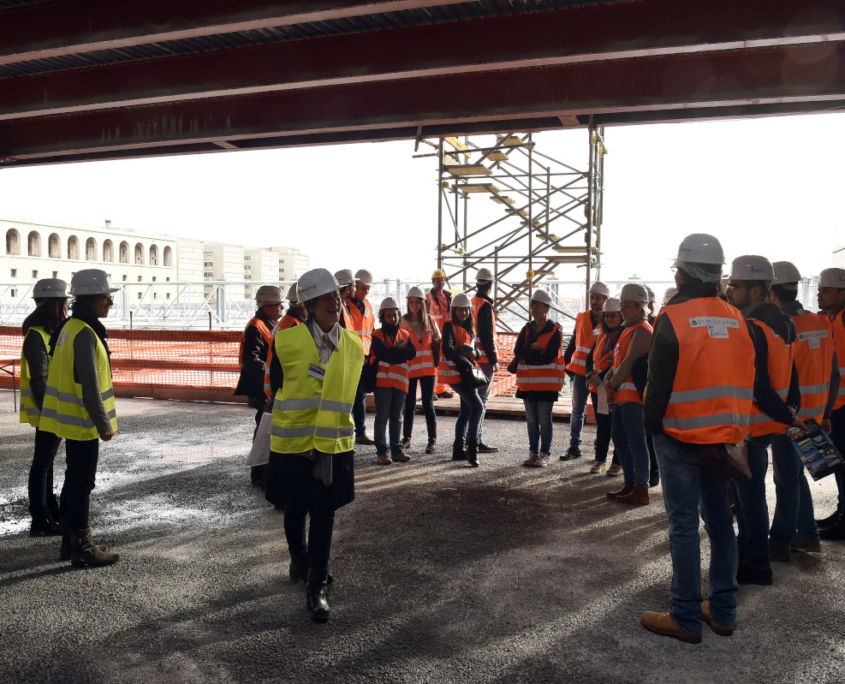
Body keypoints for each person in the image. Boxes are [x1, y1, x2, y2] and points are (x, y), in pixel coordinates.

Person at [641, 233, 753, 643]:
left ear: (683, 272)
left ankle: (686, 615)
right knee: (721, 522)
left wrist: (650, 427)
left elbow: (659, 384)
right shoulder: (737, 316)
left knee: (684, 526)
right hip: (722, 439)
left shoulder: (673, 316)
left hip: (681, 434)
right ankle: (722, 611)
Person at [267, 268, 364, 622]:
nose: (335, 302)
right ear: (308, 304)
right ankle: (300, 558)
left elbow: (357, 390)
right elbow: (275, 385)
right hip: (294, 444)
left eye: (337, 297)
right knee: (296, 509)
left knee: (324, 513)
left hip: (331, 447)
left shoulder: (354, 346)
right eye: (327, 297)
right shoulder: (285, 341)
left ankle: (316, 585)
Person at [726, 255, 806, 586]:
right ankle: (752, 554)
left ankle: (756, 563)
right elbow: (793, 371)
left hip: (754, 424)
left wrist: (783, 412)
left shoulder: (752, 327)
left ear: (756, 291)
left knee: (750, 498)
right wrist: (791, 410)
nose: (729, 291)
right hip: (772, 421)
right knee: (756, 493)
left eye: (736, 286)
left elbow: (757, 384)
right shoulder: (784, 323)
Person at [40, 269, 120, 568]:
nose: (109, 304)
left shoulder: (69, 327)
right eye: (106, 298)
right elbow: (89, 383)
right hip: (84, 422)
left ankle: (69, 543)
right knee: (82, 482)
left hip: (69, 418)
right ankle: (83, 548)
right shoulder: (85, 332)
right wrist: (104, 424)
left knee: (73, 480)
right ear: (91, 299)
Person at [768, 261, 838, 558]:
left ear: (772, 292)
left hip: (789, 418)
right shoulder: (820, 322)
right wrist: (829, 413)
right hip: (816, 414)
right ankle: (807, 534)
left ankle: (781, 539)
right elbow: (834, 373)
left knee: (786, 480)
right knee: (795, 476)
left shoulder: (781, 327)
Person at [20, 279, 69, 536]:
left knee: (46, 463)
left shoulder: (50, 332)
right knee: (42, 463)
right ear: (56, 303)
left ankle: (49, 509)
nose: (67, 307)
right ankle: (40, 519)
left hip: (53, 408)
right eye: (65, 302)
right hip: (47, 410)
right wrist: (50, 412)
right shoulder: (37, 336)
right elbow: (39, 379)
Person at [603, 283, 653, 505]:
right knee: (622, 441)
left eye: (627, 306)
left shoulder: (642, 330)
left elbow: (628, 363)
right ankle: (631, 484)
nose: (622, 310)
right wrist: (609, 379)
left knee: (636, 442)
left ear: (641, 307)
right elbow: (619, 362)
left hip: (633, 398)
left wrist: (611, 383)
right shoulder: (629, 330)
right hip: (623, 397)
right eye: (622, 305)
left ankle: (641, 487)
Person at [235, 285, 282, 487]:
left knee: (264, 429)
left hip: (263, 387)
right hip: (262, 388)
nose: (282, 308)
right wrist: (270, 376)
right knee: (263, 430)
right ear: (268, 307)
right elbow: (251, 359)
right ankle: (259, 473)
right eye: (279, 305)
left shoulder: (266, 324)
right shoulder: (258, 326)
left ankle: (261, 472)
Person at [512, 290, 563, 467]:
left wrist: (531, 355)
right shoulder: (527, 329)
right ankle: (533, 452)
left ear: (547, 308)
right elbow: (518, 351)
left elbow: (548, 357)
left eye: (538, 306)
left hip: (547, 384)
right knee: (532, 420)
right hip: (528, 384)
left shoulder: (555, 330)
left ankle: (545, 453)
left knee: (544, 419)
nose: (534, 309)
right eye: (532, 305)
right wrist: (534, 353)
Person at [563, 281, 610, 461]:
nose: (594, 301)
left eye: (597, 297)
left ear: (605, 299)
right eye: (592, 297)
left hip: (599, 374)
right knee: (577, 411)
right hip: (580, 371)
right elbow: (575, 339)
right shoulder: (581, 316)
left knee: (602, 413)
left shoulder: (611, 320)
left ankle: (601, 450)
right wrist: (566, 363)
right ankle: (574, 447)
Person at [815, 267, 845, 540]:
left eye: (825, 290)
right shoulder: (827, 318)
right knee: (838, 464)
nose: (819, 294)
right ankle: (841, 511)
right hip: (835, 405)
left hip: (844, 406)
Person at [438, 293, 484, 467]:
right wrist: (466, 363)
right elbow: (447, 349)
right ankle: (472, 449)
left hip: (463, 374)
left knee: (466, 411)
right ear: (454, 310)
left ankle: (458, 449)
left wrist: (475, 354)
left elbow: (476, 351)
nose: (463, 312)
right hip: (457, 374)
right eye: (460, 309)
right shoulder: (449, 326)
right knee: (478, 407)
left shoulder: (469, 329)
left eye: (466, 310)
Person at [370, 297, 417, 464]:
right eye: (389, 315)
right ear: (383, 317)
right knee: (382, 416)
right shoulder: (377, 335)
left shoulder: (405, 334)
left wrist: (394, 352)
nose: (393, 318)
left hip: (400, 382)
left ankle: (396, 450)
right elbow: (385, 355)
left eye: (395, 315)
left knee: (397, 417)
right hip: (383, 383)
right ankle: (382, 452)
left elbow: (412, 353)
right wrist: (398, 352)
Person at [585, 297, 623, 475]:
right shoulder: (602, 334)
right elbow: (590, 356)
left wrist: (599, 377)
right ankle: (600, 459)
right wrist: (589, 375)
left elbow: (619, 363)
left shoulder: (625, 335)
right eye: (607, 316)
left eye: (614, 315)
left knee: (617, 427)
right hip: (600, 390)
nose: (609, 319)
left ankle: (617, 461)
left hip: (616, 388)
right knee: (603, 425)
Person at [401, 286, 440, 454]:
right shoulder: (402, 321)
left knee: (427, 404)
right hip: (410, 369)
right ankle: (406, 439)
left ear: (422, 303)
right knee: (409, 405)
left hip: (428, 370)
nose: (414, 305)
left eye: (417, 302)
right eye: (411, 302)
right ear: (408, 302)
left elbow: (438, 339)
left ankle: (432, 441)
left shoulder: (430, 320)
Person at [471, 268, 500, 453]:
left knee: (472, 401)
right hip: (483, 361)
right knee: (481, 401)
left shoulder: (472, 303)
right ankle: (476, 439)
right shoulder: (485, 306)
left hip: (472, 359)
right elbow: (487, 336)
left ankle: (469, 437)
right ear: (490, 285)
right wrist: (494, 359)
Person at [262, 283, 305, 404]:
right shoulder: (293, 327)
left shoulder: (287, 322)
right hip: (285, 389)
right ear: (302, 305)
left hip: (279, 388)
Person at [349, 269, 377, 446]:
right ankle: (347, 432)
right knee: (348, 396)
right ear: (354, 286)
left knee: (360, 395)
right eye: (362, 288)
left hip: (364, 357)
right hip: (350, 356)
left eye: (367, 288)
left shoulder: (367, 305)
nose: (365, 291)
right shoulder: (345, 305)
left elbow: (371, 330)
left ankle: (360, 432)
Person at [426, 269, 454, 399]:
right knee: (432, 361)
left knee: (442, 361)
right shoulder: (428, 297)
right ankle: (431, 390)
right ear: (433, 282)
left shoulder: (449, 296)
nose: (441, 283)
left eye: (442, 280)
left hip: (446, 332)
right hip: (433, 333)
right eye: (438, 280)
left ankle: (441, 389)